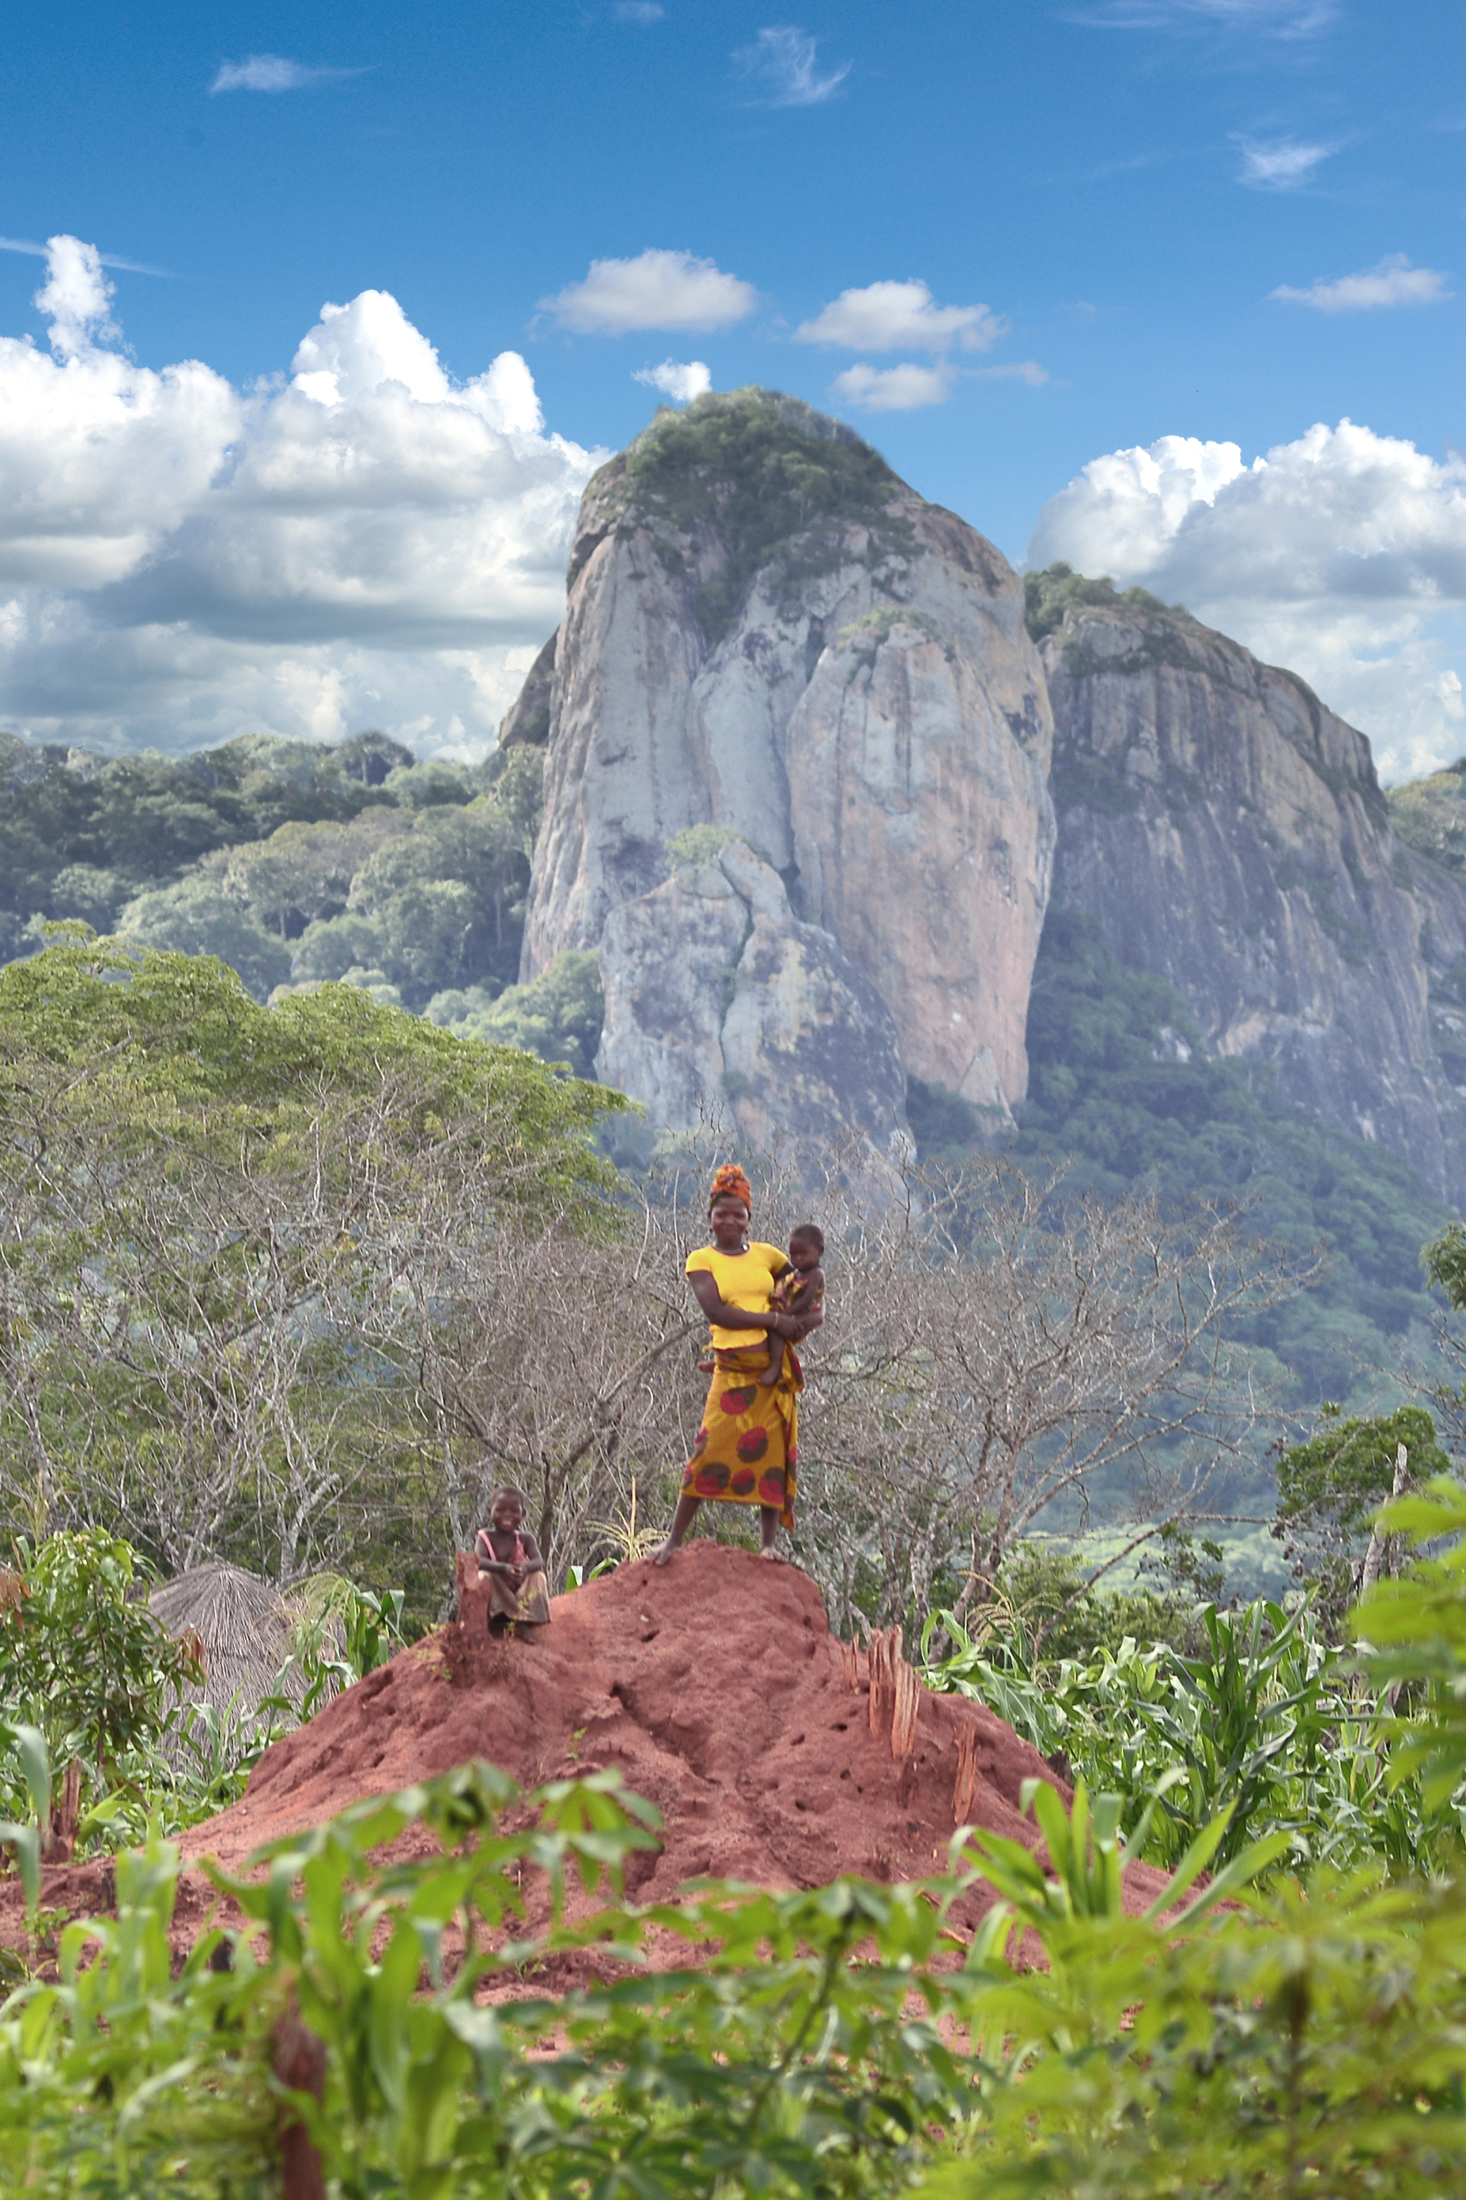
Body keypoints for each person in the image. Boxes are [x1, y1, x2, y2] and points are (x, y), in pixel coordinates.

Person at [652, 1164, 822, 1567]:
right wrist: (773, 1321)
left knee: (772, 1458)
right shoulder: (701, 1260)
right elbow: (717, 1312)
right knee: (707, 1450)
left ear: (749, 1219)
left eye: (738, 1213)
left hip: (771, 1372)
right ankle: (673, 1540)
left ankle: (767, 1545)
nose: (729, 1220)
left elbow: (806, 1285)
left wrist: (802, 1321)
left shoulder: (770, 1256)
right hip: (732, 1373)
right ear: (709, 1218)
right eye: (721, 1213)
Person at [473, 1485, 551, 1632]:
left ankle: (529, 1618)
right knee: (484, 1576)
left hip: (519, 1591)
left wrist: (524, 1568)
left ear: (523, 1514)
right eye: (500, 1510)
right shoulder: (484, 1537)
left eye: (514, 1511)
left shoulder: (525, 1538)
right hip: (500, 1593)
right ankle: (500, 1619)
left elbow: (539, 1561)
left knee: (538, 1576)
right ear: (490, 1512)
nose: (507, 1515)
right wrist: (503, 1568)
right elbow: (479, 1561)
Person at [758, 1224, 825, 1388]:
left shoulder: (816, 1274)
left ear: (819, 1252)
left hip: (804, 1313)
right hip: (792, 1311)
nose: (798, 1259)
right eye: (794, 1255)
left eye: (804, 1254)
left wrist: (784, 1315)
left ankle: (775, 1366)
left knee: (777, 1329)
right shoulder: (797, 1272)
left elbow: (806, 1300)